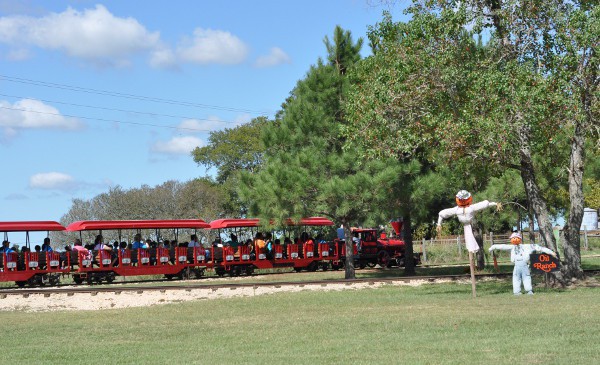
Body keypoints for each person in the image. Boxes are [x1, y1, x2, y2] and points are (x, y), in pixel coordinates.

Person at [489, 232, 557, 295]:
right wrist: (493, 247)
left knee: (526, 277)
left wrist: (551, 252)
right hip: (516, 266)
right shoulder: (512, 247)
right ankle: (516, 292)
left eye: (516, 238)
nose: (514, 239)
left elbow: (539, 248)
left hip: (524, 265)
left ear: (520, 239)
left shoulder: (527, 246)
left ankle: (529, 290)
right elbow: (503, 246)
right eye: (513, 238)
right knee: (516, 278)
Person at [436, 190, 501, 253]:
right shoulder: (457, 209)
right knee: (470, 240)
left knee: (476, 239)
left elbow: (486, 204)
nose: (463, 201)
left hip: (473, 226)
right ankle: (473, 252)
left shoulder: (471, 207)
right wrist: (439, 224)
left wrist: (496, 204)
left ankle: (477, 251)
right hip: (466, 226)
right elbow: (442, 214)